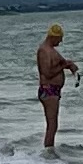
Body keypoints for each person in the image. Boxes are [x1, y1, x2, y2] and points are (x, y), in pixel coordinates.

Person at [34, 23, 76, 152]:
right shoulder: (44, 51)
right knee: (52, 124)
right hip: (48, 90)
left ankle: (50, 150)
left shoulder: (52, 51)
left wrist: (69, 65)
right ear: (53, 37)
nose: (61, 41)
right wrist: (63, 66)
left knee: (53, 124)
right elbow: (47, 73)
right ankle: (48, 152)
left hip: (54, 91)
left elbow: (61, 63)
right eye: (60, 38)